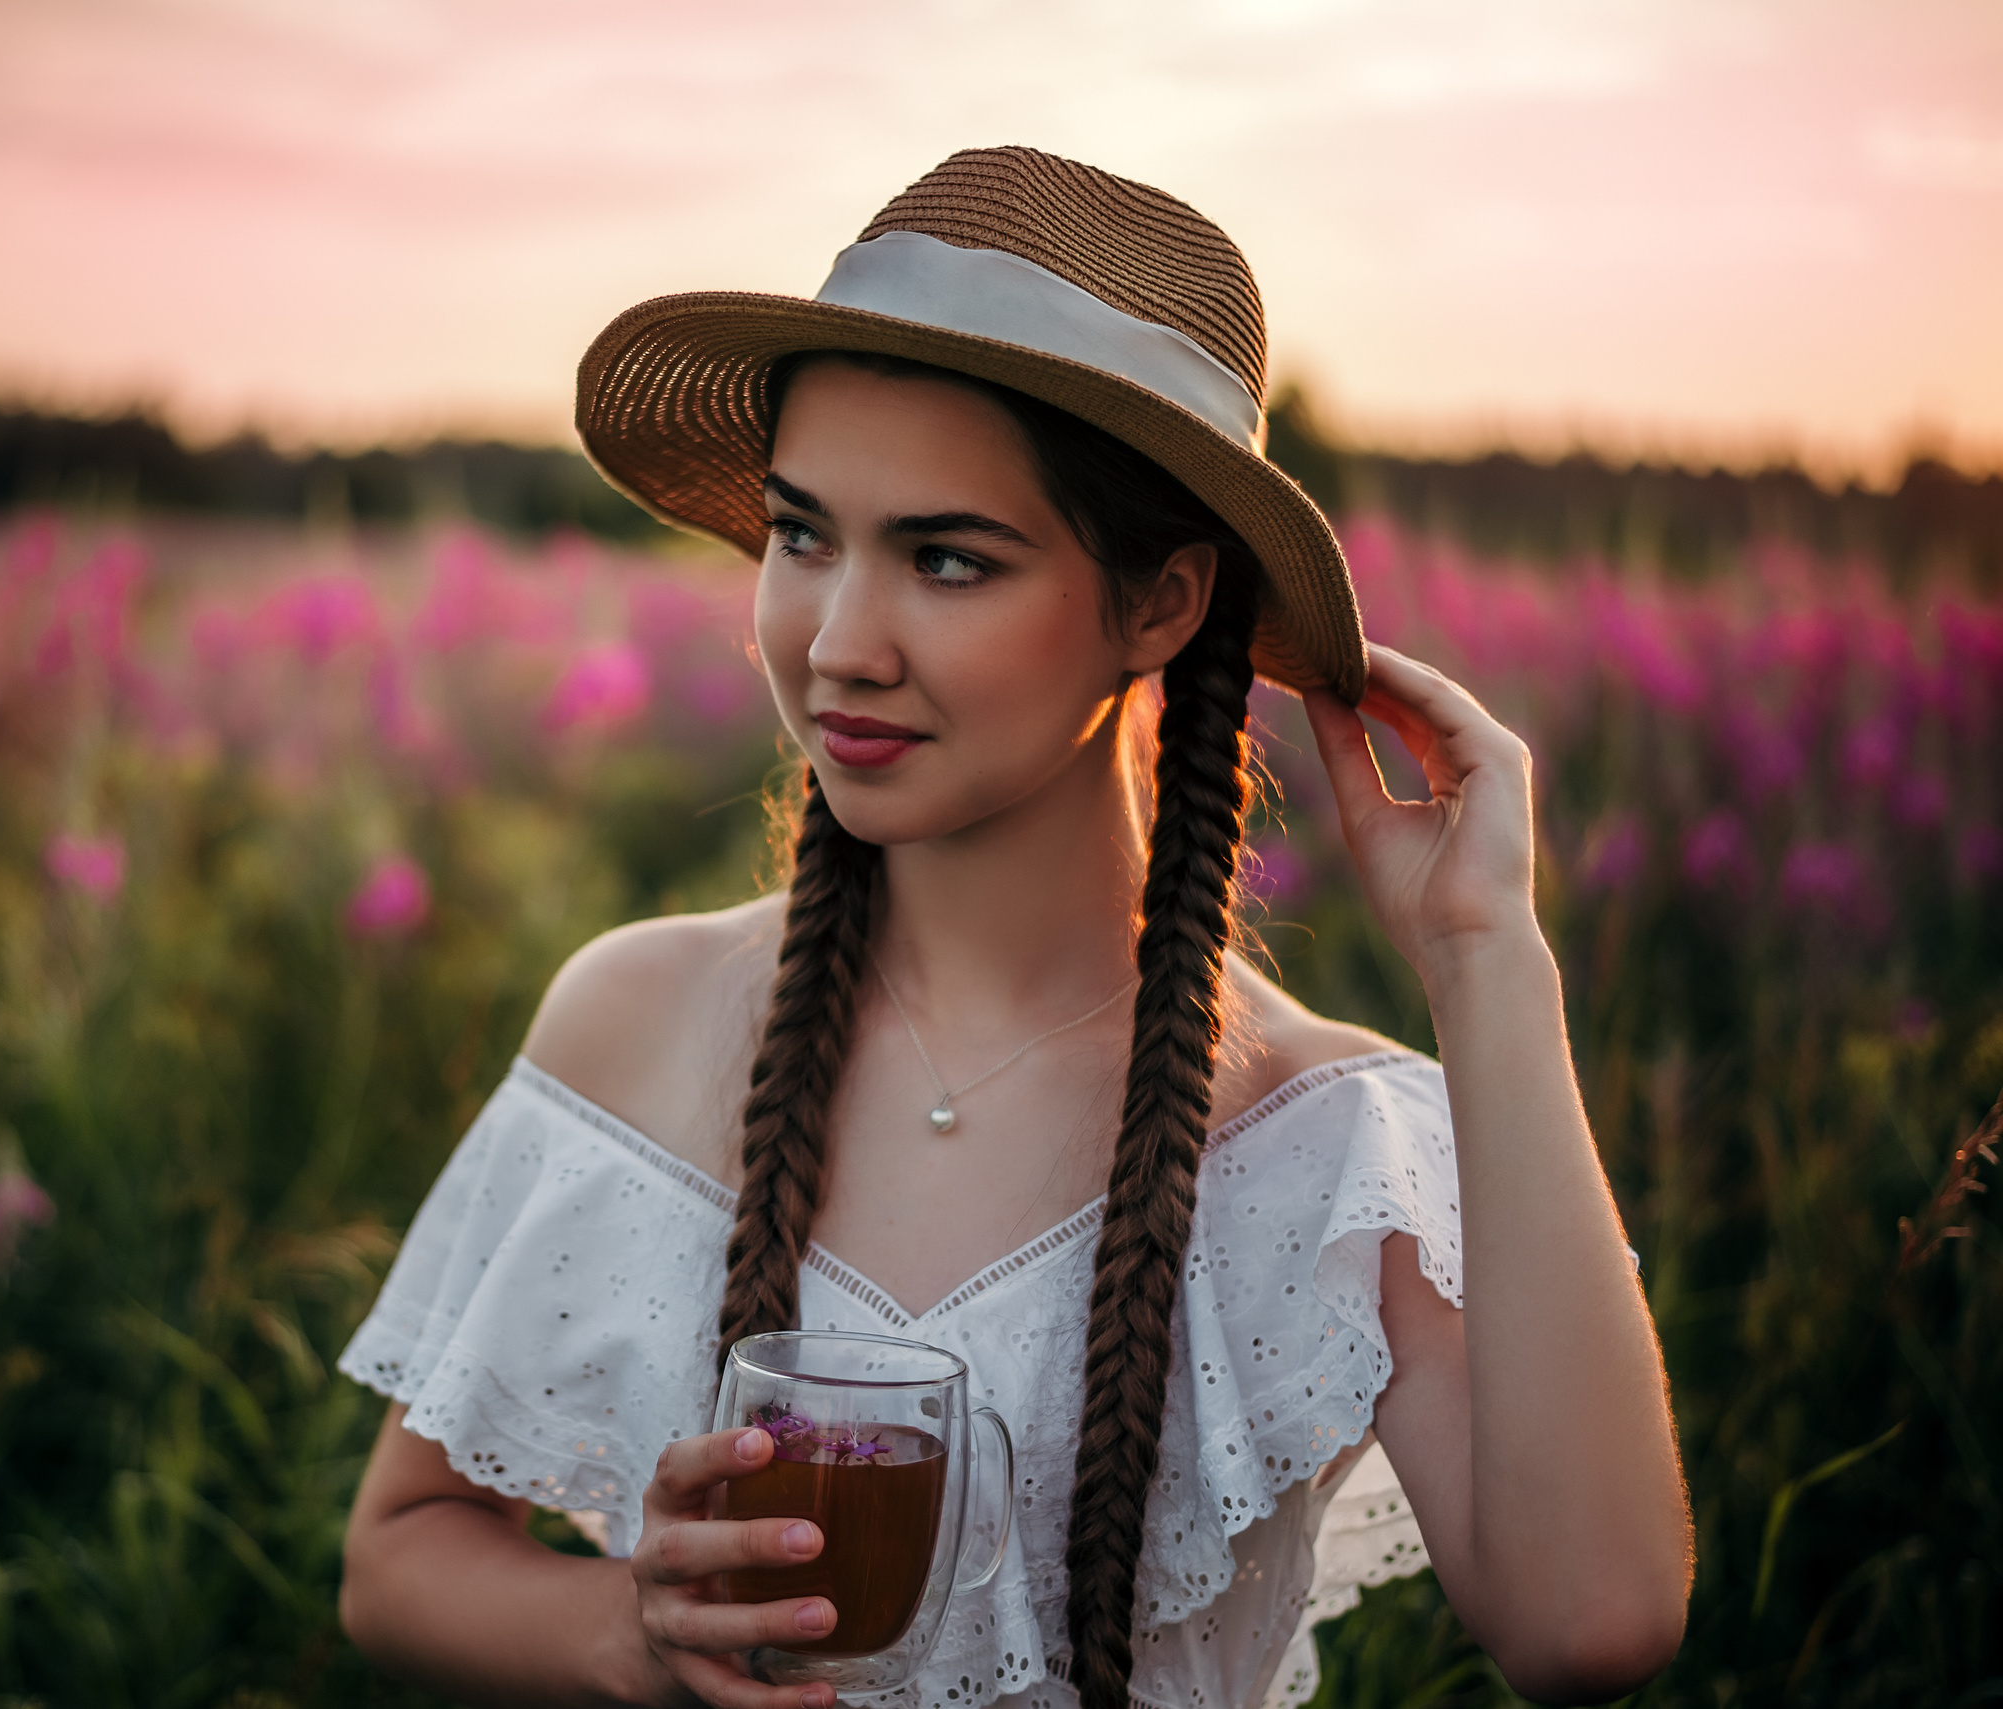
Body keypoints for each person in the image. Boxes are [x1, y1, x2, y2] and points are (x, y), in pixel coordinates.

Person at [336, 147, 1690, 1709]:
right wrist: (628, 1633)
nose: (838, 642)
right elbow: (400, 1552)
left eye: (948, 558)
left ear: (1162, 605)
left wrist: (1485, 961)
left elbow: (1592, 1621)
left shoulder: (1326, 1144)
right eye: (801, 534)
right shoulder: (636, 1015)